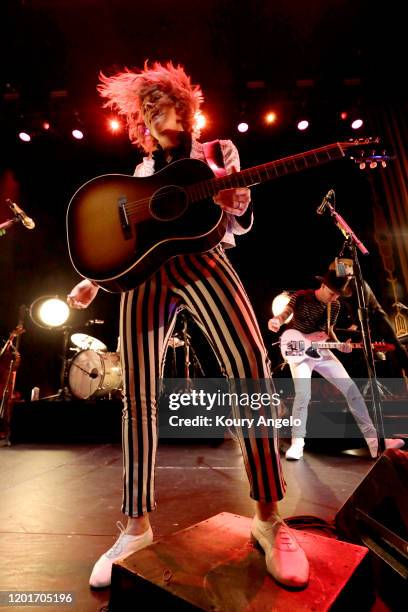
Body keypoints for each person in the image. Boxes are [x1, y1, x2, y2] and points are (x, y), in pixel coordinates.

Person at [67, 61, 309, 589]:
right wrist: (96, 281)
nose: (155, 113)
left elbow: (239, 214)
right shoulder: (138, 175)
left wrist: (233, 196)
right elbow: (130, 246)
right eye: (146, 108)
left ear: (186, 106)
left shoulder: (217, 153)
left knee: (251, 373)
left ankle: (268, 519)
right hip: (144, 281)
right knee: (137, 394)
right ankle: (136, 527)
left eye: (163, 103)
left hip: (204, 261)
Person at [268, 270, 405, 460]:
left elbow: (328, 331)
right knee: (303, 395)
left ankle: (376, 444)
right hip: (297, 349)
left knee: (352, 390)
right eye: (332, 293)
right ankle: (297, 445)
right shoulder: (302, 296)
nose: (334, 297)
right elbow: (286, 313)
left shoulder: (335, 306)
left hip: (321, 348)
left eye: (338, 295)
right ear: (323, 285)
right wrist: (277, 320)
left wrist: (341, 345)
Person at [330, 258, 408, 377]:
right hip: (363, 323)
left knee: (394, 345)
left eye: (344, 267)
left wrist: (356, 325)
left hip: (378, 318)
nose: (342, 269)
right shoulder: (344, 287)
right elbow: (351, 308)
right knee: (368, 352)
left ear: (350, 270)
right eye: (340, 268)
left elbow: (364, 306)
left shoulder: (359, 283)